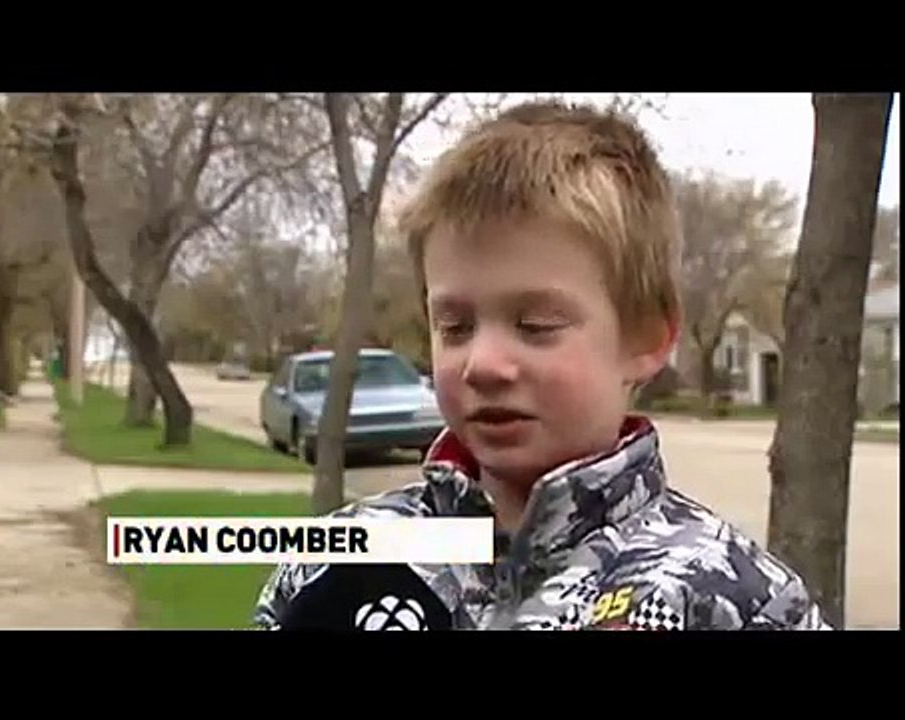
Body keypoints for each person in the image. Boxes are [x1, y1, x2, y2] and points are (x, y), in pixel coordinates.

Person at [252, 100, 830, 630]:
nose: (483, 363)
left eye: (535, 326)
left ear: (647, 338)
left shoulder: (736, 597)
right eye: (454, 327)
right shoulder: (335, 563)